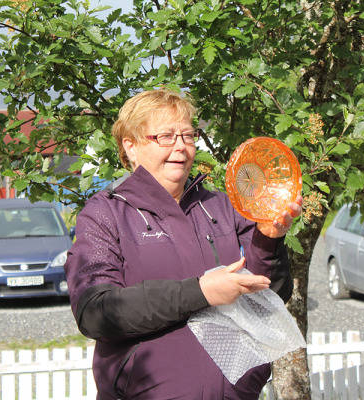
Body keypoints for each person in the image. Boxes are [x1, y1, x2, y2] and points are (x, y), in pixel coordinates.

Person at [64, 89, 303, 399]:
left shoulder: (223, 207)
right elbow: (96, 312)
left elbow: (271, 295)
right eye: (165, 136)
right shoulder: (106, 214)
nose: (180, 147)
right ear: (131, 146)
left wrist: (268, 240)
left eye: (187, 136)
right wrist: (201, 292)